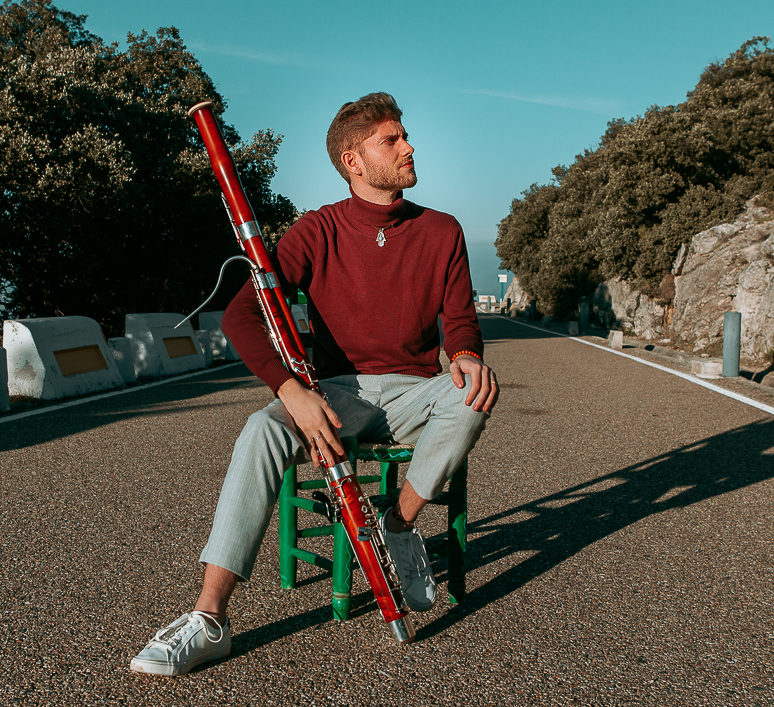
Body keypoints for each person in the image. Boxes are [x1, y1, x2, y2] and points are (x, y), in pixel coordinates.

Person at [130, 92, 499, 676]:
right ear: (354, 161)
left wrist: (468, 353)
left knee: (474, 396)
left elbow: (458, 319)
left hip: (415, 389)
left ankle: (397, 526)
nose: (409, 147)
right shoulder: (315, 230)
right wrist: (290, 391)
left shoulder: (443, 231)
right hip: (338, 393)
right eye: (392, 139)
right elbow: (241, 314)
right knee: (260, 430)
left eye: (405, 135)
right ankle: (209, 618)